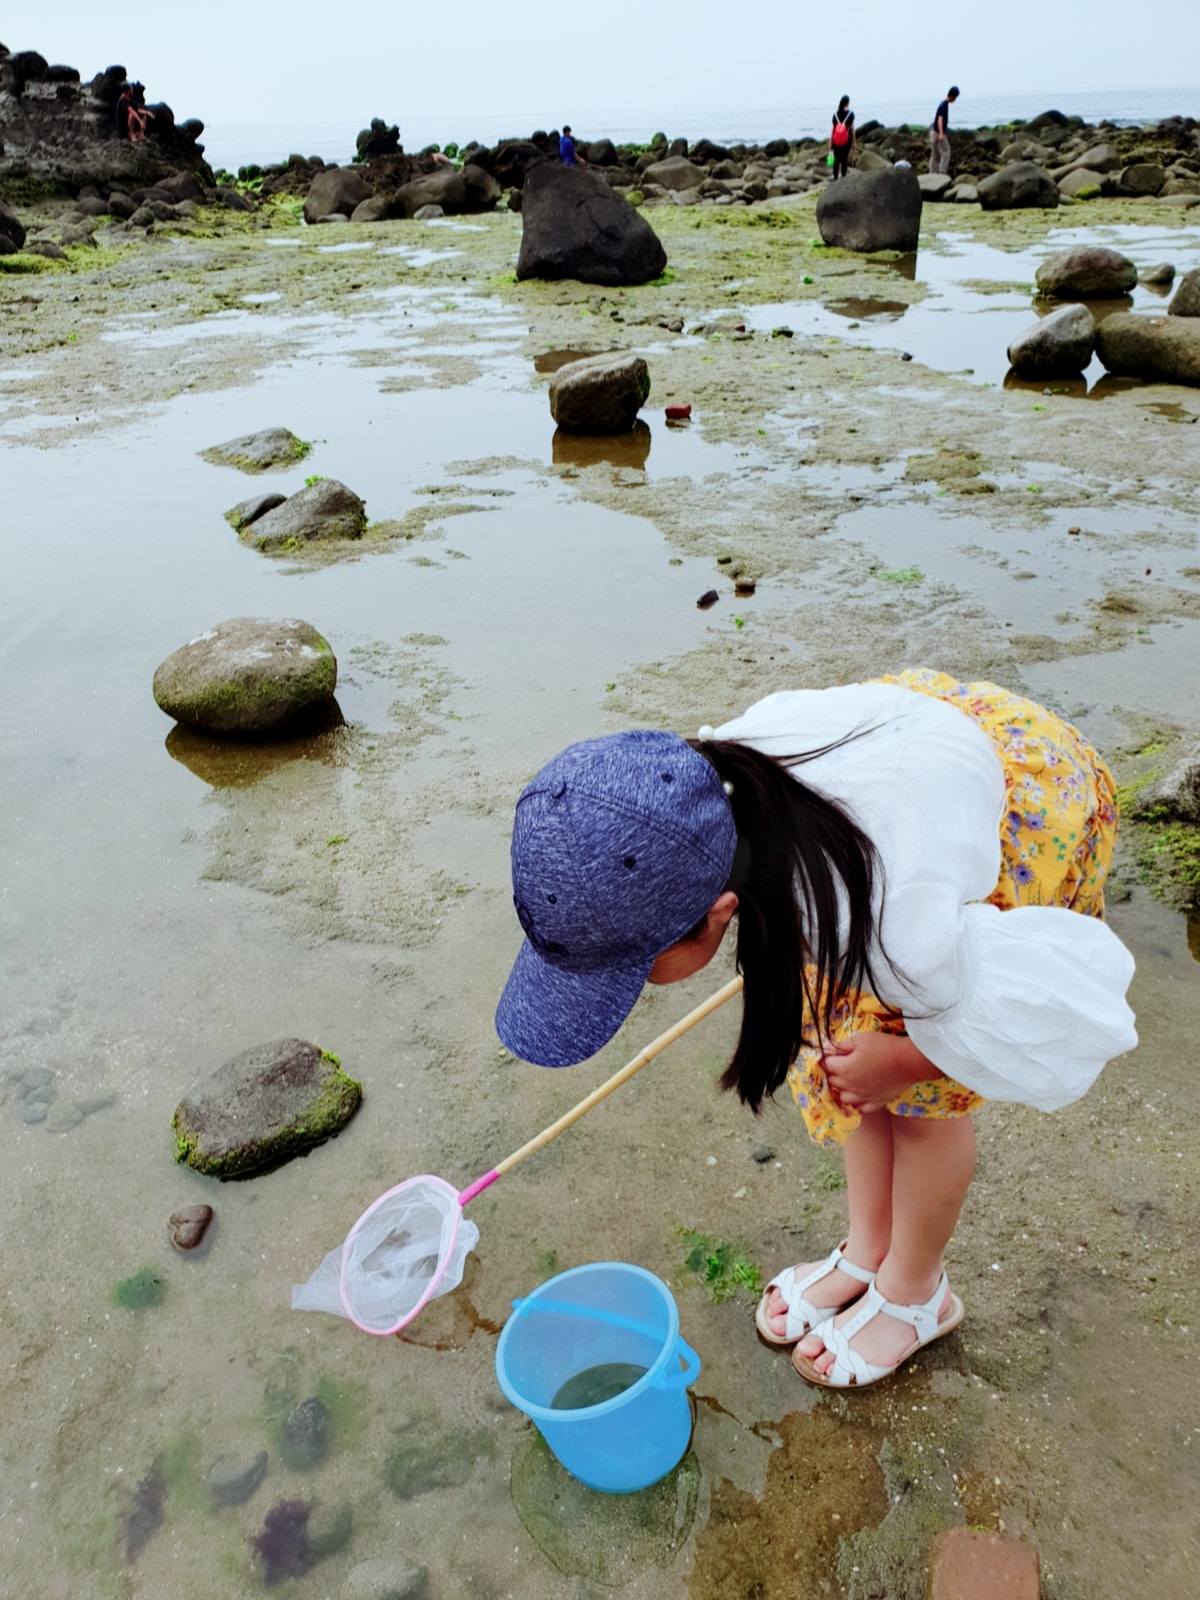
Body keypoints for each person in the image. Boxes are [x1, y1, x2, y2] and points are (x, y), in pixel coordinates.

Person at [495, 669, 1137, 1389]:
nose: (635, 986)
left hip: (1014, 797)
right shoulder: (698, 798)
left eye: (632, 970)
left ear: (717, 913)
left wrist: (909, 1059)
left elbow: (1023, 1015)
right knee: (842, 1051)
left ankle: (916, 1291)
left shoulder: (904, 929)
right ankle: (868, 1250)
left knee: (923, 1111)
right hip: (901, 785)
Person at [930, 85, 959, 176]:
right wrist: (941, 134)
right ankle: (942, 173)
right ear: (953, 97)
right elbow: (940, 119)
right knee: (946, 151)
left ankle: (932, 173)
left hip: (933, 132)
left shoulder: (943, 104)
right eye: (955, 97)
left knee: (935, 154)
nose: (955, 100)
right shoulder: (944, 105)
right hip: (938, 132)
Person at [829, 95, 855, 180]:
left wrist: (830, 143)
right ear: (847, 103)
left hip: (836, 141)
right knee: (844, 161)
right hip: (846, 141)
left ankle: (835, 178)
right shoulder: (850, 114)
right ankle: (843, 178)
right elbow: (852, 129)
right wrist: (854, 143)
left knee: (836, 161)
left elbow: (832, 130)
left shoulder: (835, 114)